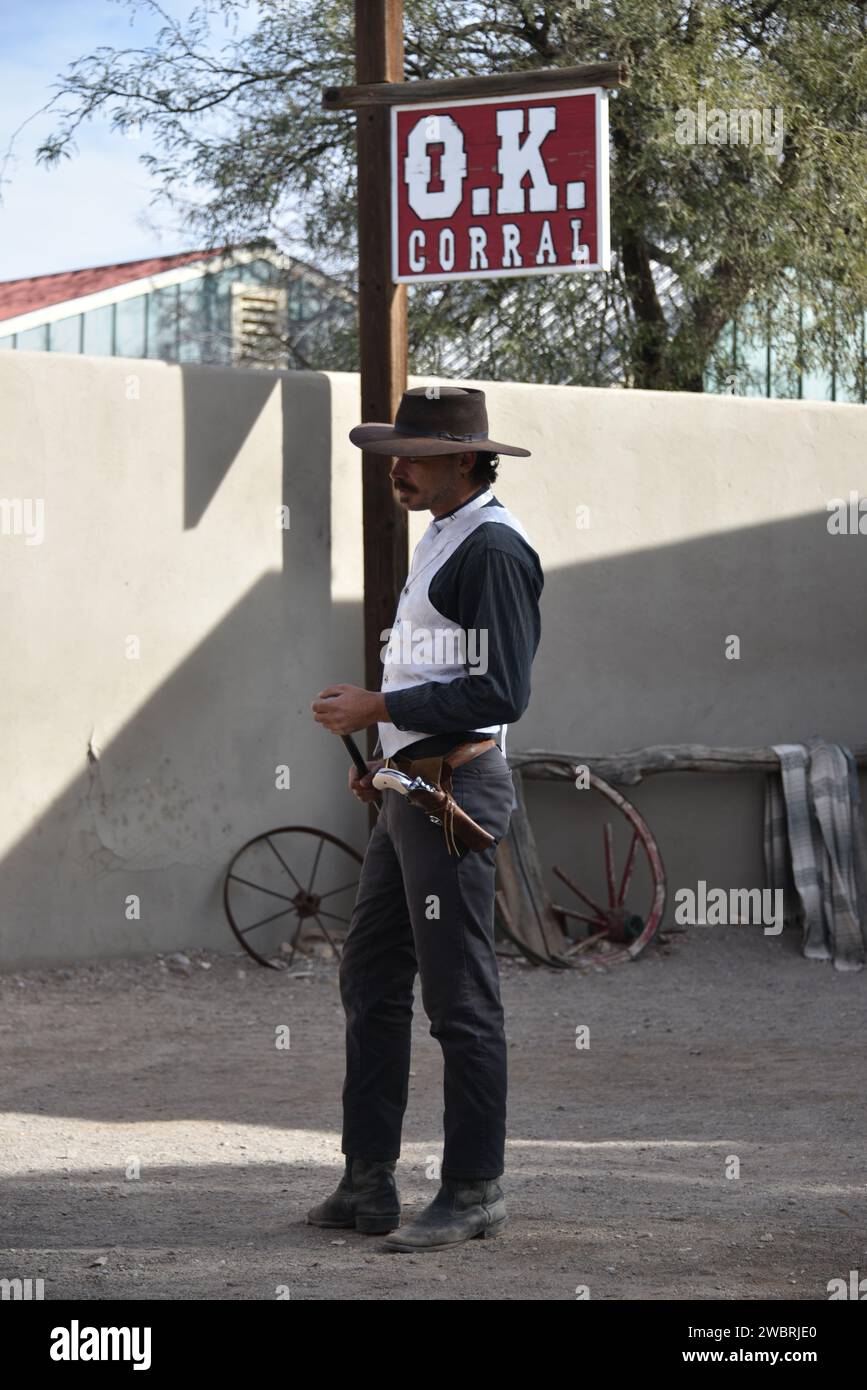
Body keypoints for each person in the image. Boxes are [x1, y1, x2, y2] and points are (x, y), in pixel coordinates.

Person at [309, 385, 543, 1251]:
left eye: (412, 455)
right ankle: (366, 1180)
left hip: (455, 794)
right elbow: (447, 678)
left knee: (458, 998)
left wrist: (379, 704)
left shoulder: (492, 550)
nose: (396, 468)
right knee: (369, 977)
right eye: (393, 456)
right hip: (414, 789)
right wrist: (388, 753)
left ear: (466, 460)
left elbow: (502, 691)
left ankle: (475, 1188)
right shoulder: (445, 537)